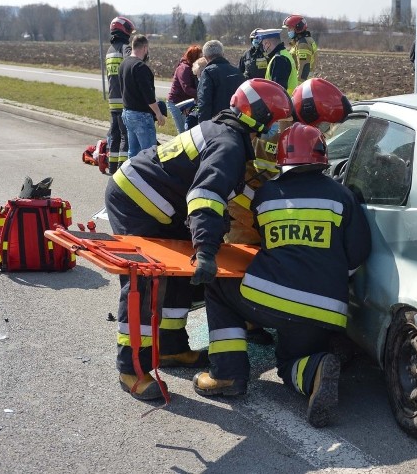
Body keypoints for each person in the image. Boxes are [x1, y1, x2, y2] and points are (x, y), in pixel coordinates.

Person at [105, 79, 293, 400]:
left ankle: (171, 347)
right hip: (134, 199)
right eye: (276, 122)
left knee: (180, 273)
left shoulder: (228, 136)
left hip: (164, 207)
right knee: (144, 280)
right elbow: (205, 195)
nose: (277, 130)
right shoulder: (230, 146)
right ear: (258, 118)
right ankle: (131, 367)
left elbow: (239, 193)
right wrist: (206, 250)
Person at [193, 122, 372, 428]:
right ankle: (315, 368)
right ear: (322, 157)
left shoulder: (266, 196)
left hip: (269, 300)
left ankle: (227, 373)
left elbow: (266, 243)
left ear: (283, 158)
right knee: (289, 362)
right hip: (325, 311)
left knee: (218, 286)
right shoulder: (343, 197)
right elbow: (358, 252)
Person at [225, 78, 353, 346]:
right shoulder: (277, 132)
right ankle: (244, 325)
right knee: (238, 268)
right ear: (309, 112)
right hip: (245, 207)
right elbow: (253, 177)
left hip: (264, 208)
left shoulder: (293, 130)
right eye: (324, 124)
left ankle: (255, 318)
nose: (325, 130)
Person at [121, 34, 166, 159]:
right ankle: (149, 178)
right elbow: (148, 95)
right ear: (145, 48)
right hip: (141, 116)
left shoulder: (124, 64)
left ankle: (132, 177)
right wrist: (158, 113)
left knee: (133, 153)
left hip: (127, 113)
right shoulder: (140, 67)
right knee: (150, 154)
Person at [105, 16, 136, 174]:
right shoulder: (125, 48)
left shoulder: (110, 50)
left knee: (115, 135)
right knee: (126, 136)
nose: (130, 35)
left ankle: (111, 167)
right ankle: (121, 170)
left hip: (112, 99)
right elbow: (132, 68)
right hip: (124, 100)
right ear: (124, 30)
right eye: (129, 31)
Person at [197, 40, 246, 124]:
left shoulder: (208, 73)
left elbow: (204, 102)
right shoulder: (237, 71)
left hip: (217, 123)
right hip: (237, 122)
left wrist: (203, 126)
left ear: (205, 57)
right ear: (223, 54)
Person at [167, 45, 203, 133]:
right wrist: (202, 94)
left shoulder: (192, 68)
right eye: (200, 57)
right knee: (183, 131)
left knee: (189, 129)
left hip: (186, 103)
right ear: (194, 57)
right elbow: (186, 88)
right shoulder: (184, 68)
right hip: (176, 103)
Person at [256, 29, 298, 95]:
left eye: (263, 44)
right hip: (289, 100)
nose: (263, 48)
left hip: (284, 102)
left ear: (267, 44)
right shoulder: (284, 54)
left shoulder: (279, 59)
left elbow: (277, 90)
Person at [283, 15, 318, 81]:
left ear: (298, 28)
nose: (288, 31)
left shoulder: (303, 44)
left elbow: (304, 67)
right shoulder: (302, 40)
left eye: (290, 28)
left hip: (300, 83)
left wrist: (298, 85)